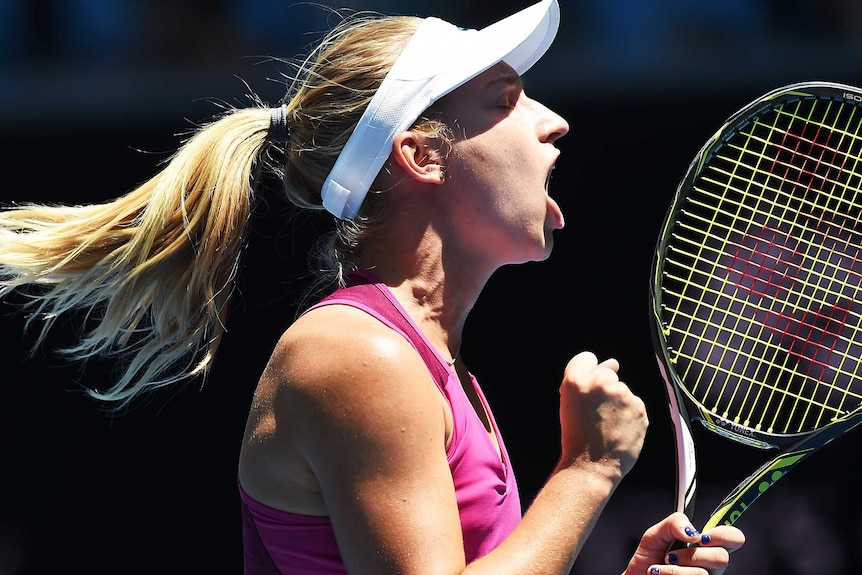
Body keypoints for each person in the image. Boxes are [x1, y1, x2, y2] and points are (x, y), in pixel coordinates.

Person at [0, 1, 745, 573]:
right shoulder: (358, 356)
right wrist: (587, 471)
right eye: (507, 98)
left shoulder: (422, 364)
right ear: (421, 155)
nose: (555, 123)